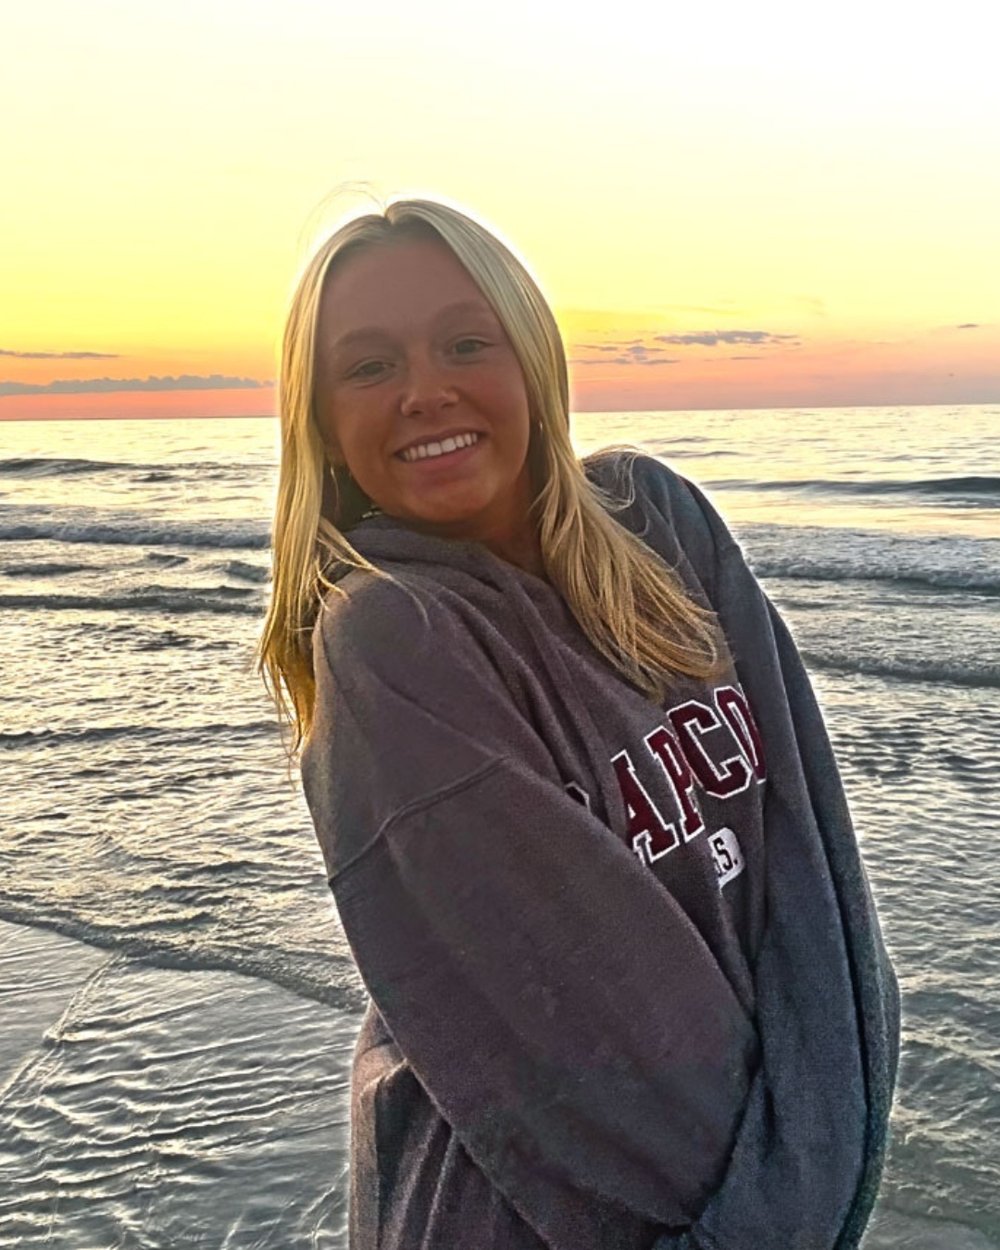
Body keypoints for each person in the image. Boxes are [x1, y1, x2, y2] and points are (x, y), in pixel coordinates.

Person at [258, 197, 901, 1250]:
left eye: (466, 342)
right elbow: (592, 1039)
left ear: (533, 355)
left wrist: (822, 1148)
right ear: (322, 419)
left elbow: (814, 866)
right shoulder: (391, 638)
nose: (424, 390)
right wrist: (786, 1207)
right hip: (530, 1210)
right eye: (369, 366)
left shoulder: (663, 522)